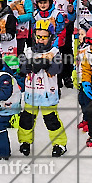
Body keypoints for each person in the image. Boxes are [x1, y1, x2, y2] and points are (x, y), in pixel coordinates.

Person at [17, 19, 67, 157]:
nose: (41, 40)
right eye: (38, 36)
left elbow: (57, 68)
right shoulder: (28, 51)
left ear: (50, 37)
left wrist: (43, 63)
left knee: (51, 120)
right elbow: (21, 66)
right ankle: (25, 141)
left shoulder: (54, 52)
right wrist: (26, 67)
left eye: (44, 37)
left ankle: (59, 143)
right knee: (26, 119)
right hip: (31, 93)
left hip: (47, 94)